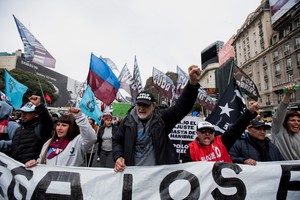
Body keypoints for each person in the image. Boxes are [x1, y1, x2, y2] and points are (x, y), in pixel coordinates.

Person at [113, 65, 201, 172]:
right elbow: (116, 141)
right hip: (134, 177)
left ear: (153, 107)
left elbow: (181, 108)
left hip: (159, 178)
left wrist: (192, 84)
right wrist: (118, 156)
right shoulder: (127, 122)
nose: (142, 108)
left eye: (146, 105)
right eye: (139, 105)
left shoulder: (162, 119)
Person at [185, 101, 259, 163]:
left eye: (210, 131)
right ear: (197, 133)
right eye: (203, 131)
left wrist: (249, 112)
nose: (207, 134)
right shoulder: (191, 149)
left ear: (214, 133)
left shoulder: (221, 142)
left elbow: (237, 128)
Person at [25, 107, 97, 167]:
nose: (59, 128)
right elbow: (41, 162)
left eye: (64, 125)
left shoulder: (78, 141)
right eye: (58, 124)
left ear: (72, 127)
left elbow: (91, 138)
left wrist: (80, 117)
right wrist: (34, 163)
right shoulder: (49, 143)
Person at [11, 95, 53, 164]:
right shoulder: (18, 130)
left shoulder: (40, 129)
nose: (23, 115)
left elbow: (47, 122)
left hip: (32, 170)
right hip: (16, 169)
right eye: (22, 112)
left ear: (36, 114)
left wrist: (39, 105)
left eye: (27, 113)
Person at [271, 84, 300, 160]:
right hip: (286, 170)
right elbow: (280, 114)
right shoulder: (278, 131)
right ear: (285, 122)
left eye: (298, 121)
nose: (296, 122)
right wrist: (287, 95)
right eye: (292, 120)